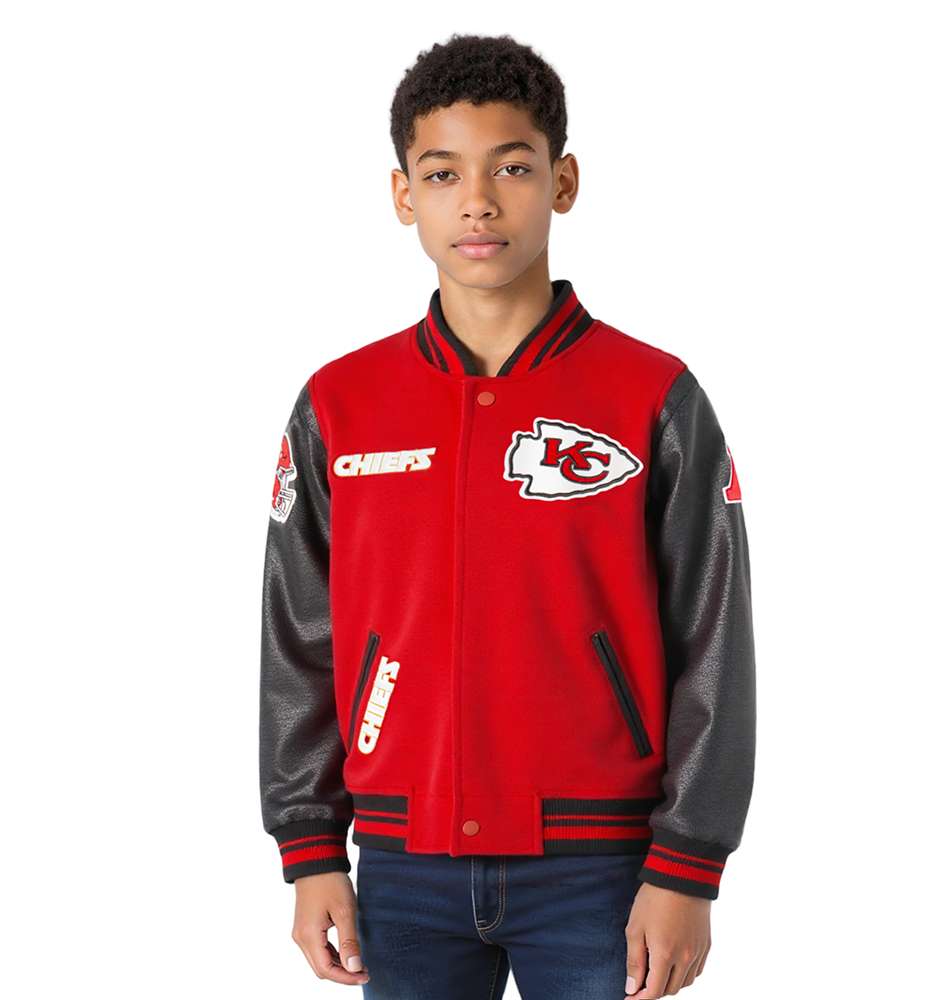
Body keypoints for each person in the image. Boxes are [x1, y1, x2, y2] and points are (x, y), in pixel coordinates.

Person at [259, 33, 755, 1000]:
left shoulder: (652, 396)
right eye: (442, 173)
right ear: (403, 195)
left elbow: (715, 637)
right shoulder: (339, 404)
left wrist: (689, 864)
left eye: (513, 168)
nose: (478, 201)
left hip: (604, 869)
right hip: (400, 866)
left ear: (563, 182)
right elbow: (298, 633)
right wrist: (309, 846)